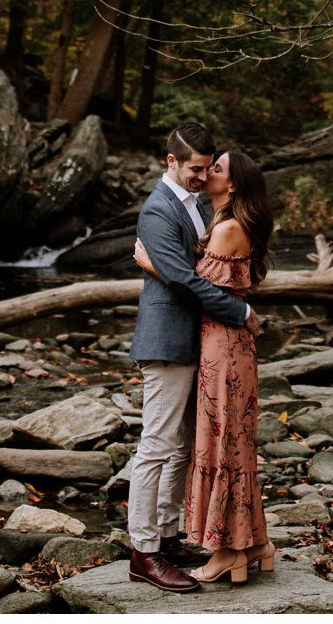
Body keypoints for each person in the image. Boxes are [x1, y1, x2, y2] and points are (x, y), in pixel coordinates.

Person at [124, 123, 257, 593]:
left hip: (195, 343)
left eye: (208, 168)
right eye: (195, 168)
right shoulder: (158, 211)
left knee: (181, 447)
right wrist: (240, 311)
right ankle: (143, 551)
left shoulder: (199, 207)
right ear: (172, 163)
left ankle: (166, 536)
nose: (202, 176)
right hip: (166, 342)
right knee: (156, 446)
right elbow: (185, 280)